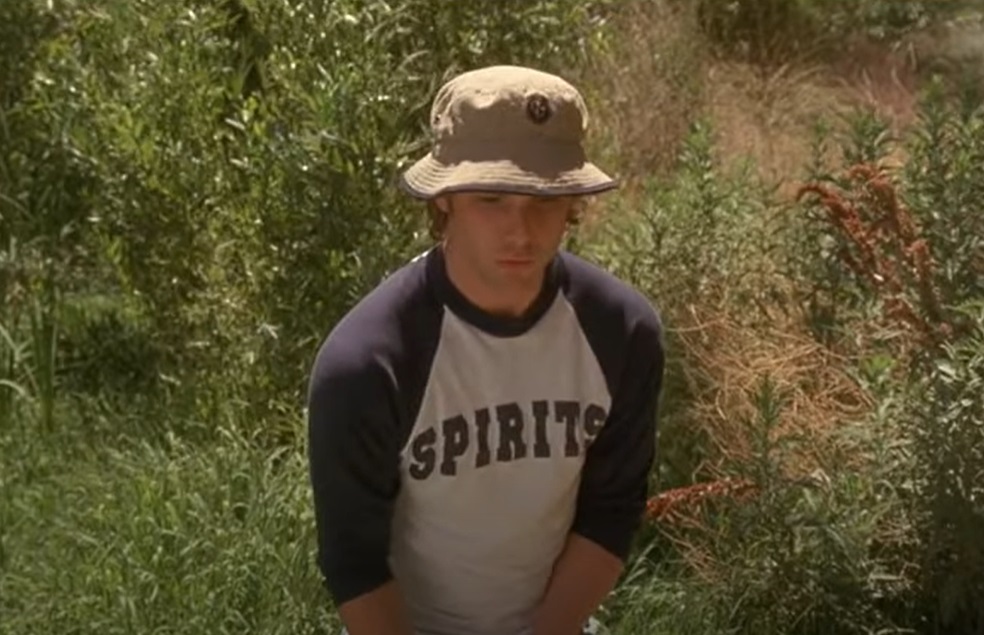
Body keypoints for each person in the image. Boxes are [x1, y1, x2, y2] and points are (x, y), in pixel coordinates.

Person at [306, 65, 666, 635]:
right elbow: (353, 561)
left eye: (544, 199)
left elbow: (611, 511)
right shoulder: (369, 362)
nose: (520, 230)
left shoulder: (620, 331)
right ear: (445, 196)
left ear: (574, 200)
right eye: (492, 198)